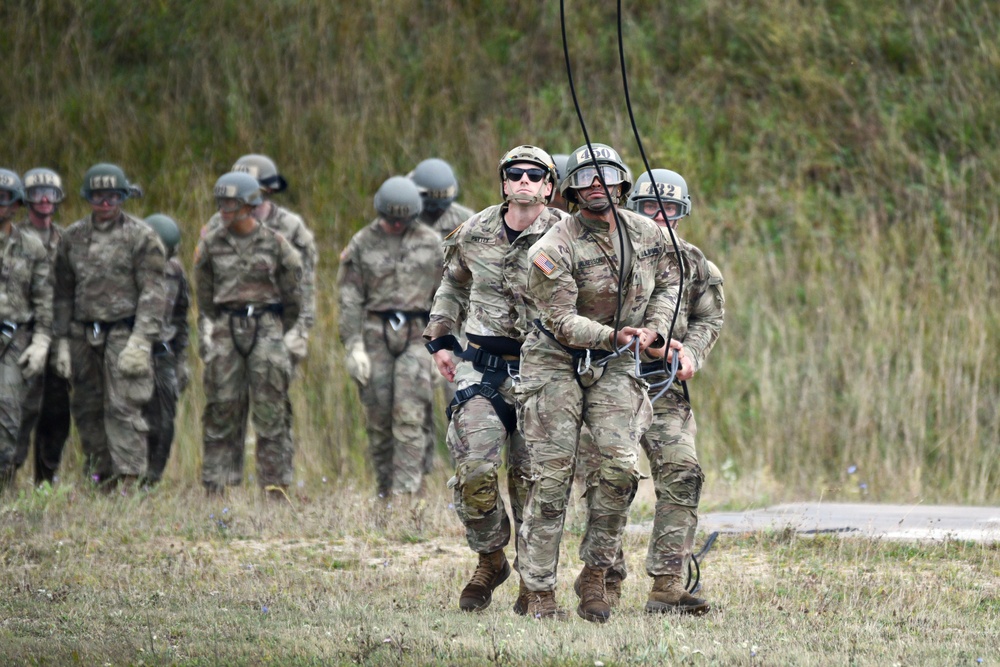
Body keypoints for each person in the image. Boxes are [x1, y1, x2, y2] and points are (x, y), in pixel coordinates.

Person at [515, 143, 680, 622]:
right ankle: (538, 590)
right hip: (555, 359)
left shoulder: (648, 234)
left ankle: (596, 572)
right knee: (552, 480)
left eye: (606, 176)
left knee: (621, 470)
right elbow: (561, 320)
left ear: (623, 184)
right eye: (586, 177)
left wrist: (656, 329)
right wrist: (614, 335)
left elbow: (672, 281)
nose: (596, 185)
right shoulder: (552, 248)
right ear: (571, 189)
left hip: (618, 360)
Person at [423, 145, 570, 612]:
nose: (525, 180)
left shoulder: (568, 234)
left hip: (545, 369)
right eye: (516, 173)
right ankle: (490, 558)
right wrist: (440, 339)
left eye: (535, 175)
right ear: (504, 182)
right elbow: (453, 283)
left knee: (533, 481)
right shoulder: (475, 230)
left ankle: (534, 582)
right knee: (474, 469)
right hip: (482, 366)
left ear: (549, 185)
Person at [608, 168, 725, 614]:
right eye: (650, 207)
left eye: (669, 208)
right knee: (612, 478)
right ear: (632, 208)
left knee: (683, 470)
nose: (659, 216)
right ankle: (604, 579)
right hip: (610, 379)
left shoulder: (698, 265)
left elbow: (708, 318)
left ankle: (668, 583)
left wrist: (691, 353)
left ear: (682, 212)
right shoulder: (610, 255)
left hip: (664, 386)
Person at [53, 163, 166, 487]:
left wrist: (141, 341)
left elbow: (153, 293)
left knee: (124, 407)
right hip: (82, 333)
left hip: (123, 333)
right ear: (88, 197)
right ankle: (101, 480)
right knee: (87, 408)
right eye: (98, 196)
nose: (105, 204)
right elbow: (62, 293)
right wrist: (61, 342)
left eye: (113, 196)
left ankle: (130, 482)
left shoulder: (141, 237)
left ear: (123, 197)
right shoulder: (72, 237)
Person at [206, 154, 317, 478]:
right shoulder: (217, 225)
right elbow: (205, 280)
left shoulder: (291, 229)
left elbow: (305, 286)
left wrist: (299, 332)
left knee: (273, 410)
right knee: (222, 405)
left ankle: (275, 484)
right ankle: (220, 484)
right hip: (227, 327)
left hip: (274, 327)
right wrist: (207, 326)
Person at [338, 176, 442, 497]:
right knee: (379, 417)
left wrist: (443, 346)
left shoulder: (432, 243)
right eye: (391, 219)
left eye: (403, 220)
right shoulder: (361, 243)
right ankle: (385, 492)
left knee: (409, 416)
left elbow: (447, 296)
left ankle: (407, 496)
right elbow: (349, 298)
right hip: (375, 333)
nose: (397, 225)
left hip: (418, 334)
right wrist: (353, 347)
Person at [409, 157, 476, 475]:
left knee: (461, 397)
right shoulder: (403, 220)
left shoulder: (466, 221)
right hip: (413, 321)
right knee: (412, 403)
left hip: (456, 323)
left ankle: (464, 472)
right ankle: (415, 478)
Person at [14, 168, 72, 485]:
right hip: (21, 335)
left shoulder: (68, 240)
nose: (45, 199)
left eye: (51, 193)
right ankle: (8, 474)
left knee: (56, 412)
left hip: (60, 335)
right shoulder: (14, 238)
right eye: (37, 193)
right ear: (26, 199)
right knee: (19, 409)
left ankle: (46, 481)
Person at [0, 169, 52, 494]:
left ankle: (3, 486)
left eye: (3, 198)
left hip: (14, 338)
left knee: (7, 415)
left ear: (17, 203)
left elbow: (45, 299)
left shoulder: (32, 248)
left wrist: (42, 341)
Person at [142, 214, 191, 485]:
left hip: (164, 355)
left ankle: (152, 479)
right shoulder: (130, 268)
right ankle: (120, 480)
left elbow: (181, 318)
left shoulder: (176, 272)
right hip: (134, 353)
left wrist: (182, 361)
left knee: (164, 423)